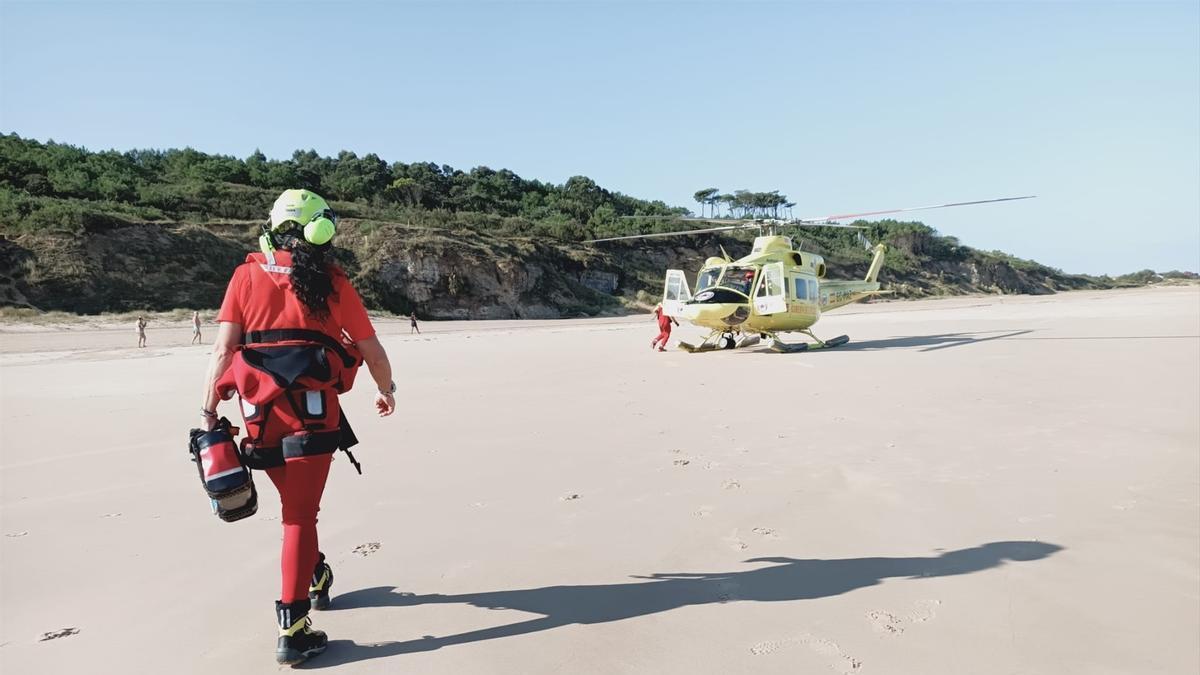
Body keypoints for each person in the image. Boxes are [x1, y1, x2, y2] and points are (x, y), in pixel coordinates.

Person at [197, 189, 397, 665]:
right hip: (312, 415)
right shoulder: (331, 281)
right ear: (320, 231)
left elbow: (223, 352)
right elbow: (371, 350)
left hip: (258, 416)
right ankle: (294, 625)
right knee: (299, 516)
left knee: (296, 508)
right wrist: (386, 389)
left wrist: (207, 411)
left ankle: (316, 573)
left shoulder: (245, 275)